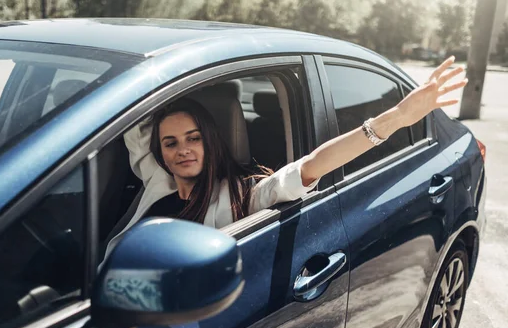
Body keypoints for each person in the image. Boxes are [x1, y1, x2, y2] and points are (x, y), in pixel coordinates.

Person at [104, 57, 467, 255]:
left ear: (210, 142)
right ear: (161, 153)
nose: (181, 149)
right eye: (170, 143)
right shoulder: (156, 178)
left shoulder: (242, 195)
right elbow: (132, 117)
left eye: (193, 138)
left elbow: (311, 166)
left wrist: (398, 118)